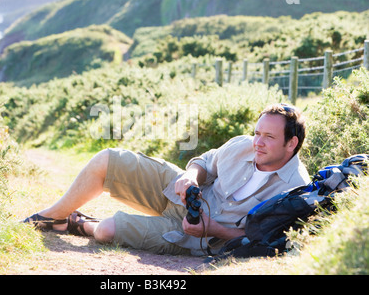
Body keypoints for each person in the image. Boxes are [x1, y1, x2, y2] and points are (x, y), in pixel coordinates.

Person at [23, 103, 310, 256]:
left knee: (106, 231)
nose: (257, 142)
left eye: (268, 137)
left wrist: (214, 230)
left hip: (196, 236)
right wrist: (190, 178)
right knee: (107, 159)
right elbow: (203, 163)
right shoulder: (243, 144)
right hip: (183, 194)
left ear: (290, 143)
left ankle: (76, 223)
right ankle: (49, 217)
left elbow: (269, 239)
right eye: (257, 132)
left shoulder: (295, 188)